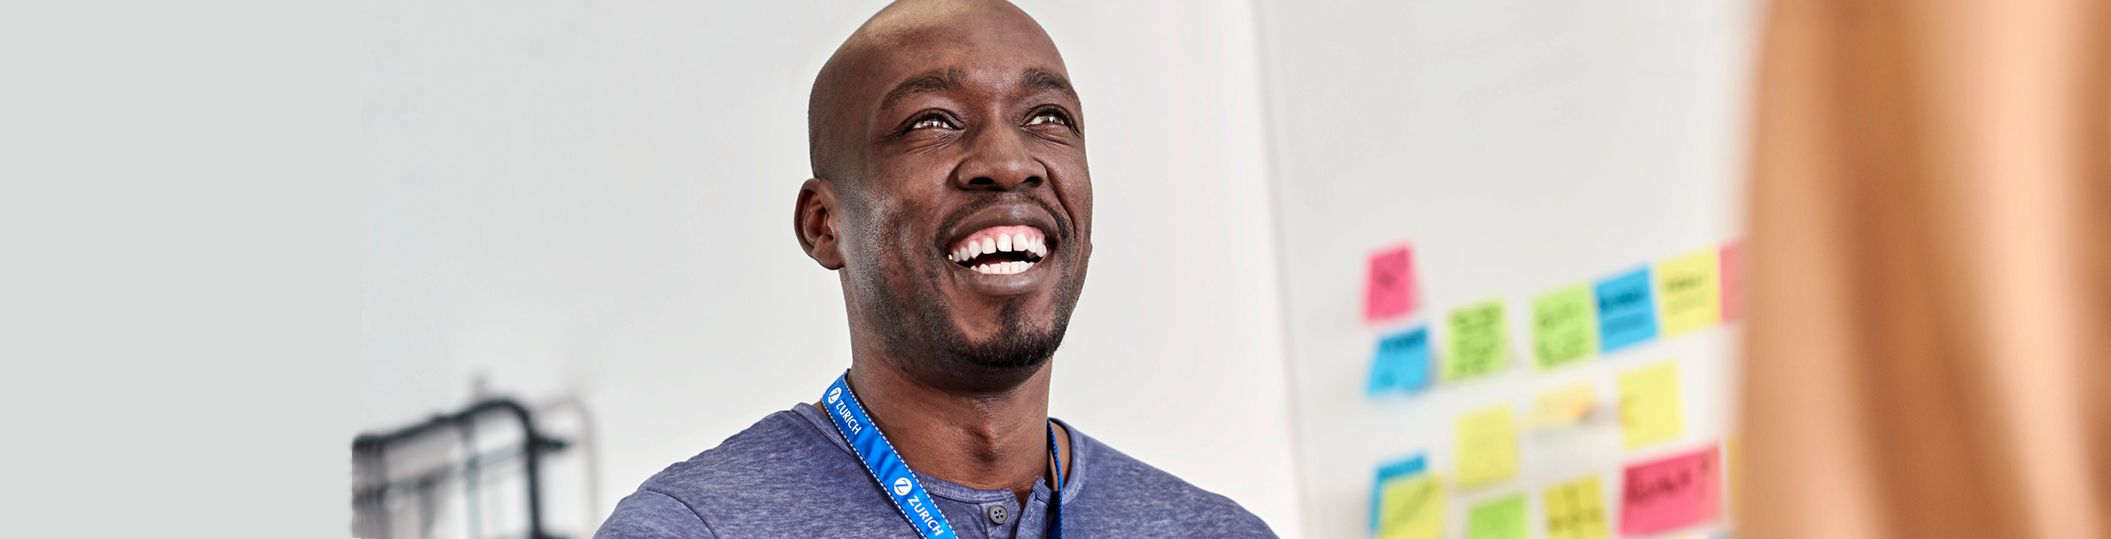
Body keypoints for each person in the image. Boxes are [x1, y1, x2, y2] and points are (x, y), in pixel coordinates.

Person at [592, 1, 1278, 538]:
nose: (1009, 163)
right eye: (931, 121)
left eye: (1047, 117)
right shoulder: (696, 527)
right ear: (825, 224)